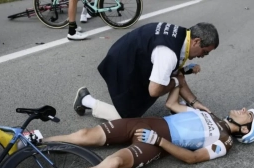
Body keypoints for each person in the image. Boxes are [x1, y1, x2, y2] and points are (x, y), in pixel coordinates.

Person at [10, 87, 254, 168]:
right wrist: (177, 79)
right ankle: (29, 141)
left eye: (247, 114)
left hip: (157, 140)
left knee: (112, 163)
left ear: (244, 129)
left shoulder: (225, 141)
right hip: (151, 124)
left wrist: (159, 142)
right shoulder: (211, 114)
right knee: (86, 135)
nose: (243, 109)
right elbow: (172, 104)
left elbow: (193, 157)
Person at [73, 22, 219, 120]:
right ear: (196, 41)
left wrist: (194, 102)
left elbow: (177, 72)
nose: (202, 56)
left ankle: (178, 106)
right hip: (122, 63)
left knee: (169, 78)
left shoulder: (184, 35)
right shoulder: (168, 54)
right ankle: (86, 100)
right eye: (204, 52)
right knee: (128, 117)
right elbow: (155, 91)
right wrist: (175, 82)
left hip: (130, 52)